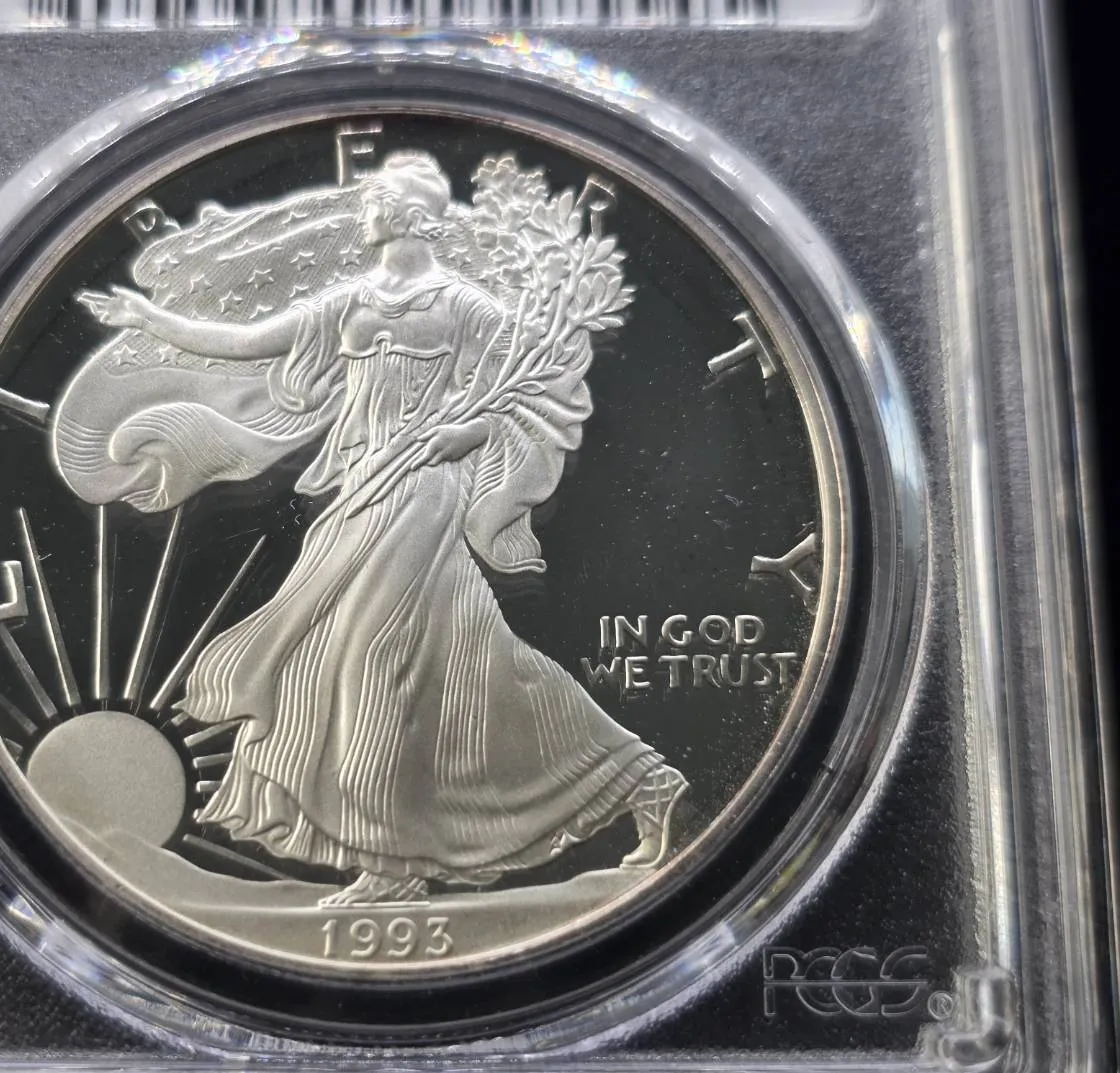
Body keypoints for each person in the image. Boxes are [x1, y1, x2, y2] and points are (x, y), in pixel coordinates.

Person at [72, 151, 687, 907]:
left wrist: (469, 433)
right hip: (362, 484)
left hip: (424, 489)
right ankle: (641, 780)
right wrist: (150, 319)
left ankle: (392, 865)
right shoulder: (351, 302)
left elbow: (542, 387)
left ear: (406, 215)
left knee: (371, 654)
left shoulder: (464, 307)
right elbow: (248, 341)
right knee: (467, 662)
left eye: (374, 201)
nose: (362, 212)